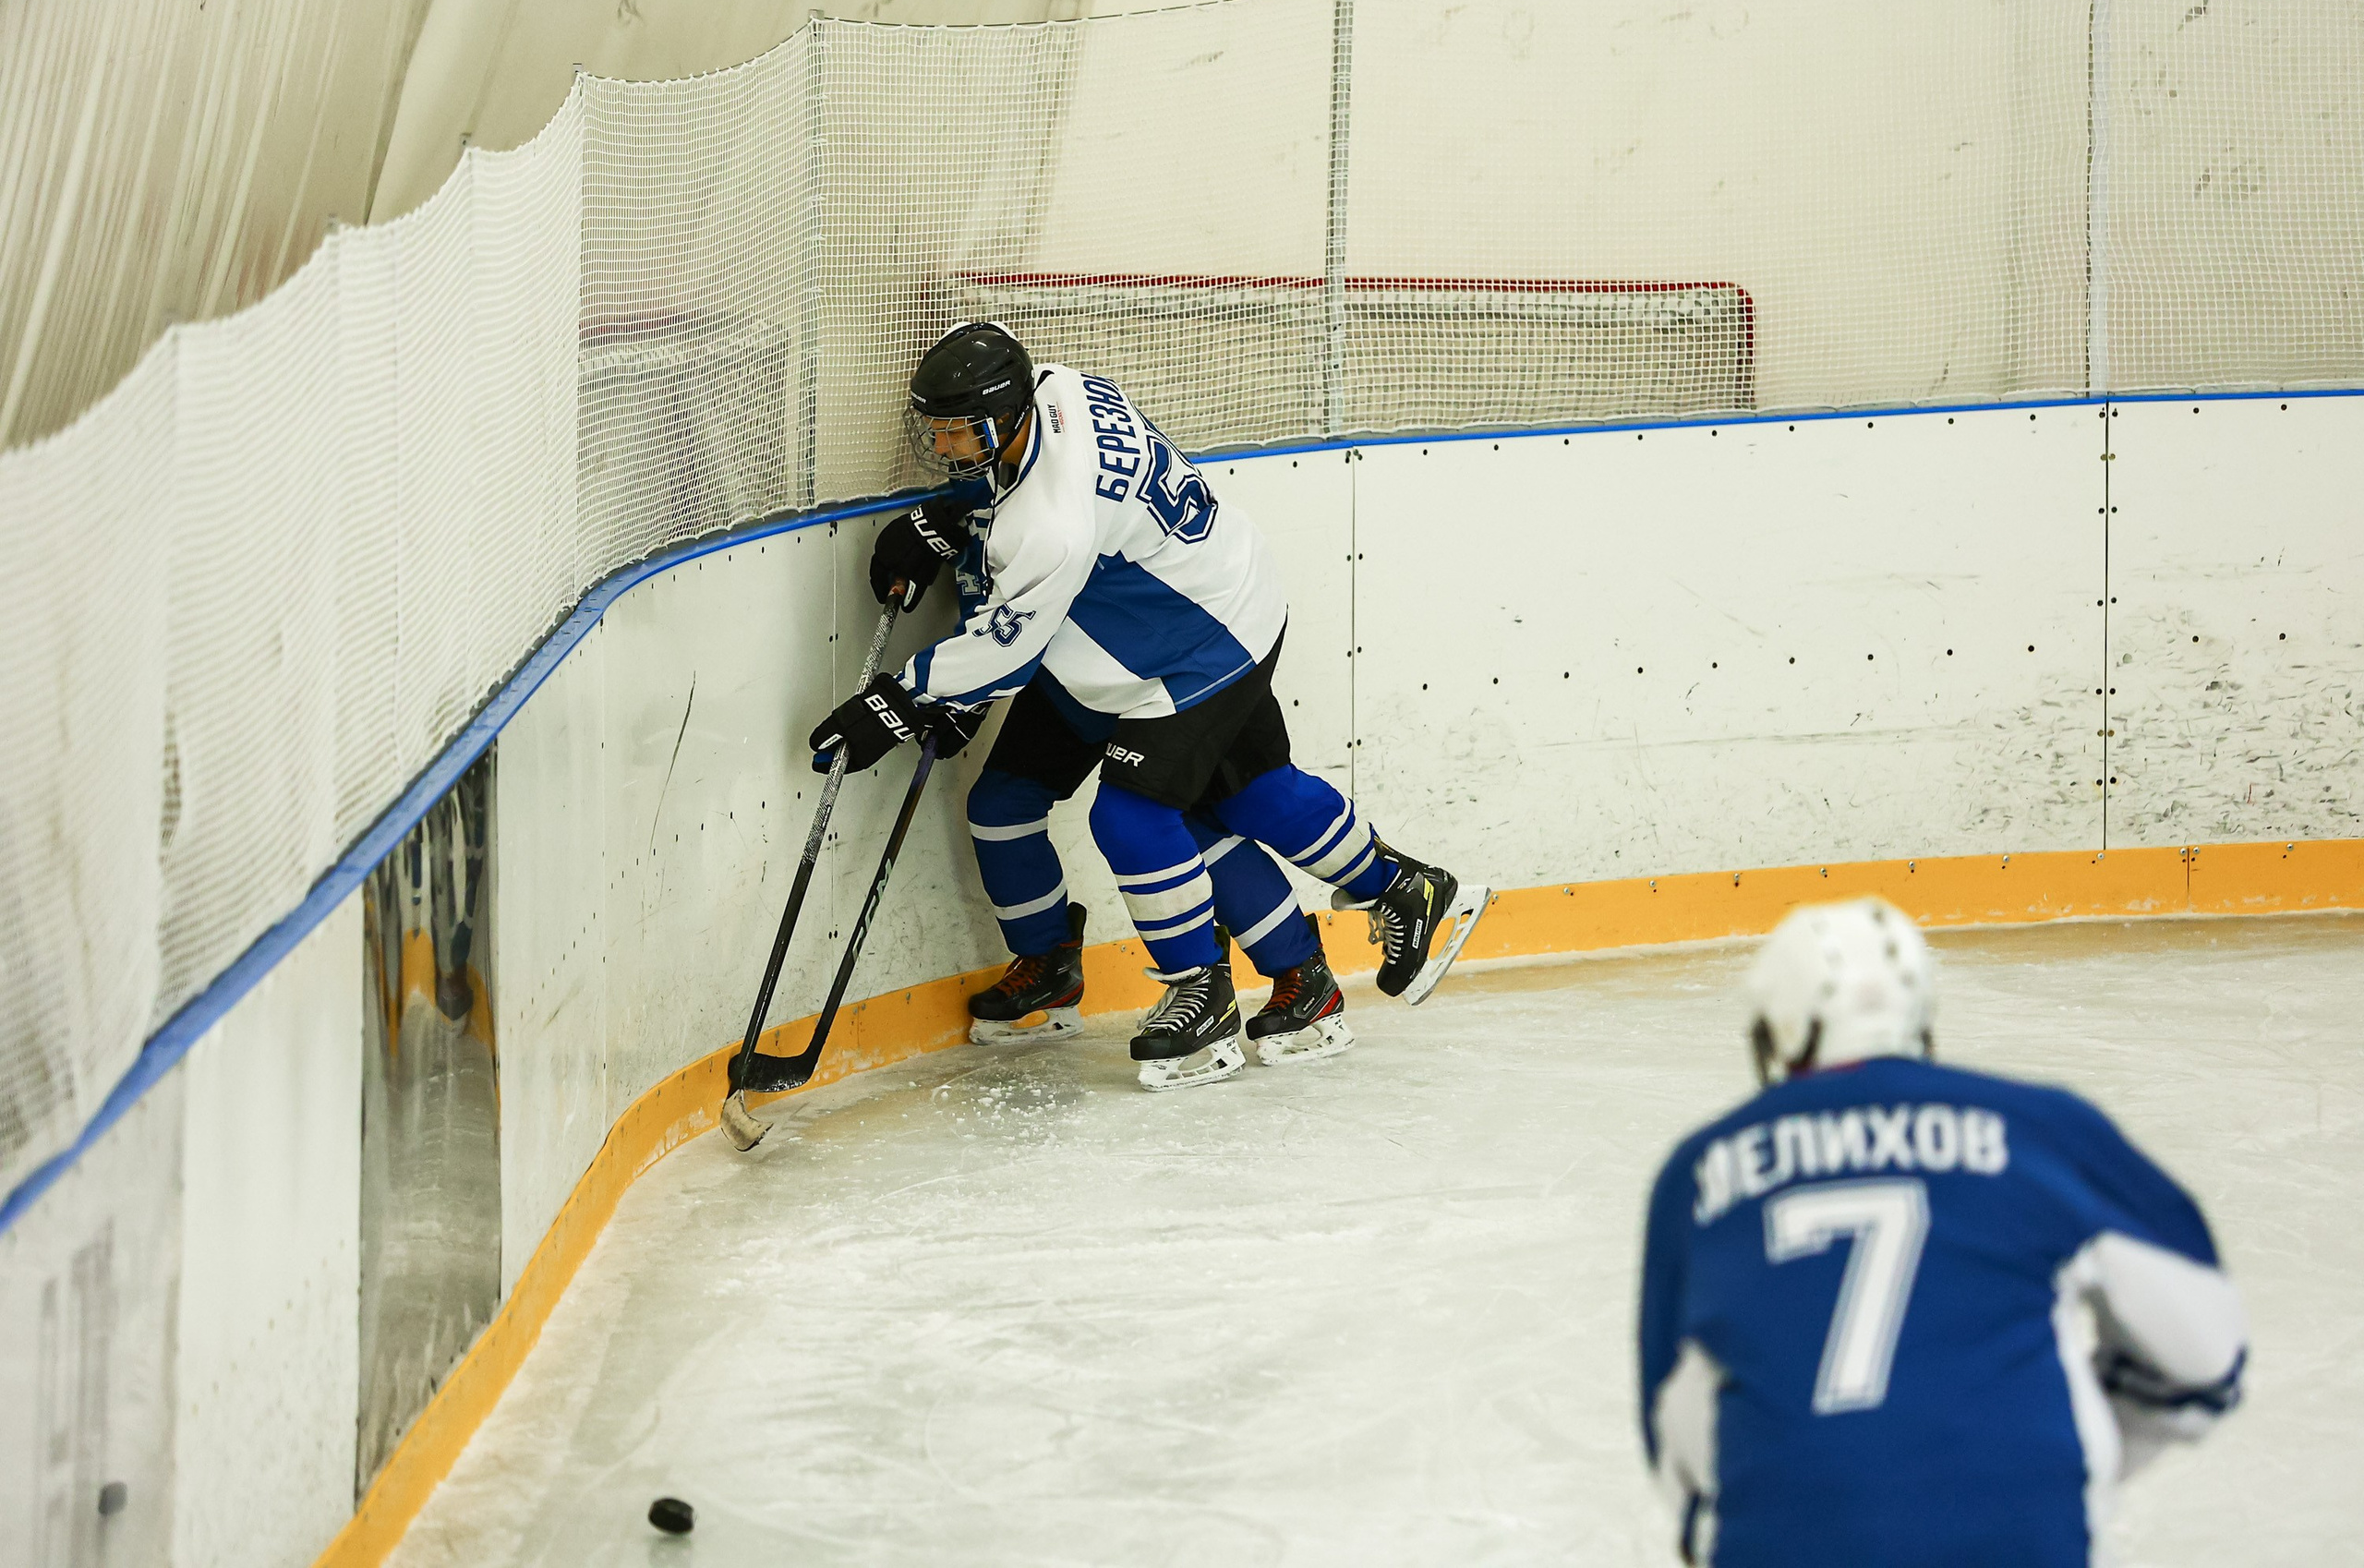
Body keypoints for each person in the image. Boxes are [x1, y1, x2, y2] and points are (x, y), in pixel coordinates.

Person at [807, 321, 1486, 1091]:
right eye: (938, 430)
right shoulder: (1057, 386)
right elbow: (1028, 517)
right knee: (1008, 800)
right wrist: (947, 518)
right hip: (1119, 634)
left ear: (1004, 415)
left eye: (960, 432)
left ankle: (1205, 988)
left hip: (1202, 641)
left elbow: (1008, 646)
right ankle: (1057, 963)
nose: (945, 445)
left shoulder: (1050, 527)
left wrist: (901, 699)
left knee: (1152, 816)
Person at [1636, 898, 2247, 1567]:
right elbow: (2207, 1356)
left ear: (1780, 1029)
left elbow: (1674, 1432)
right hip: (2022, 1537)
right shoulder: (2041, 1125)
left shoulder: (1697, 1172)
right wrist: (2065, 1450)